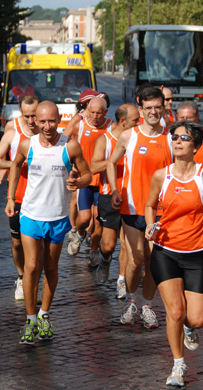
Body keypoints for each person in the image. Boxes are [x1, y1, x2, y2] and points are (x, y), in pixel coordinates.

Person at [6, 101, 92, 345]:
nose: (46, 126)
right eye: (41, 121)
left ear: (59, 120)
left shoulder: (70, 146)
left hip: (57, 216)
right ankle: (30, 319)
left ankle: (44, 315)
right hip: (31, 214)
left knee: (51, 267)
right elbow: (15, 166)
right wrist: (11, 198)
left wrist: (79, 183)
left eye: (51, 121)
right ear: (35, 120)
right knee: (32, 266)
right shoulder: (27, 144)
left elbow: (87, 174)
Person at [144, 120, 203, 387]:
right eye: (174, 137)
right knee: (175, 312)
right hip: (165, 251)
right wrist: (149, 224)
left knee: (196, 318)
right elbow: (150, 204)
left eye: (184, 138)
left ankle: (190, 329)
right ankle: (178, 365)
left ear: (196, 145)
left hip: (198, 253)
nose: (177, 142)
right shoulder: (161, 176)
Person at [107, 86, 172, 329]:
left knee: (153, 259)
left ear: (163, 107)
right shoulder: (129, 136)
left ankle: (146, 305)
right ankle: (131, 299)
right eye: (149, 108)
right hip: (133, 207)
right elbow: (111, 163)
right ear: (140, 107)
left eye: (158, 107)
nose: (153, 112)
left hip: (161, 211)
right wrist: (115, 190)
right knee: (135, 259)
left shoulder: (171, 137)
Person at [0, 95, 40, 300]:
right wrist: (15, 165)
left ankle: (35, 280)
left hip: (41, 197)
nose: (31, 121)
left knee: (39, 243)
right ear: (21, 113)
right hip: (18, 194)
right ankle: (21, 277)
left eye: (34, 116)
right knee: (17, 243)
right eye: (27, 116)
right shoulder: (13, 130)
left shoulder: (47, 131)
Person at [90, 104, 140, 296]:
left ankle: (121, 280)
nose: (139, 123)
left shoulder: (137, 139)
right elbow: (93, 167)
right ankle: (104, 259)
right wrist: (114, 160)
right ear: (123, 121)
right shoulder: (105, 140)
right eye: (135, 120)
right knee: (109, 245)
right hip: (108, 195)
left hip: (132, 197)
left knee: (127, 243)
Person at [67, 96, 113, 268]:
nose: (95, 116)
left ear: (105, 113)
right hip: (85, 179)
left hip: (102, 180)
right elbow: (69, 146)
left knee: (97, 218)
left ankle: (94, 251)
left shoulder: (111, 127)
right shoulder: (80, 126)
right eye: (92, 112)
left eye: (99, 113)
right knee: (85, 218)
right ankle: (79, 234)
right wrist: (72, 166)